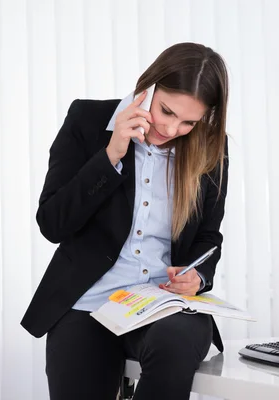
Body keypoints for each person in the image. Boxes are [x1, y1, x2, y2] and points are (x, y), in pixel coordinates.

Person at [20, 42, 230, 400]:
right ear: (148, 86)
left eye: (189, 122)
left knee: (177, 341)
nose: (172, 128)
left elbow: (208, 237)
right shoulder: (87, 121)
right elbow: (52, 223)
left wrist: (198, 275)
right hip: (88, 304)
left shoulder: (211, 146)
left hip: (160, 306)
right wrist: (112, 153)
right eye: (166, 111)